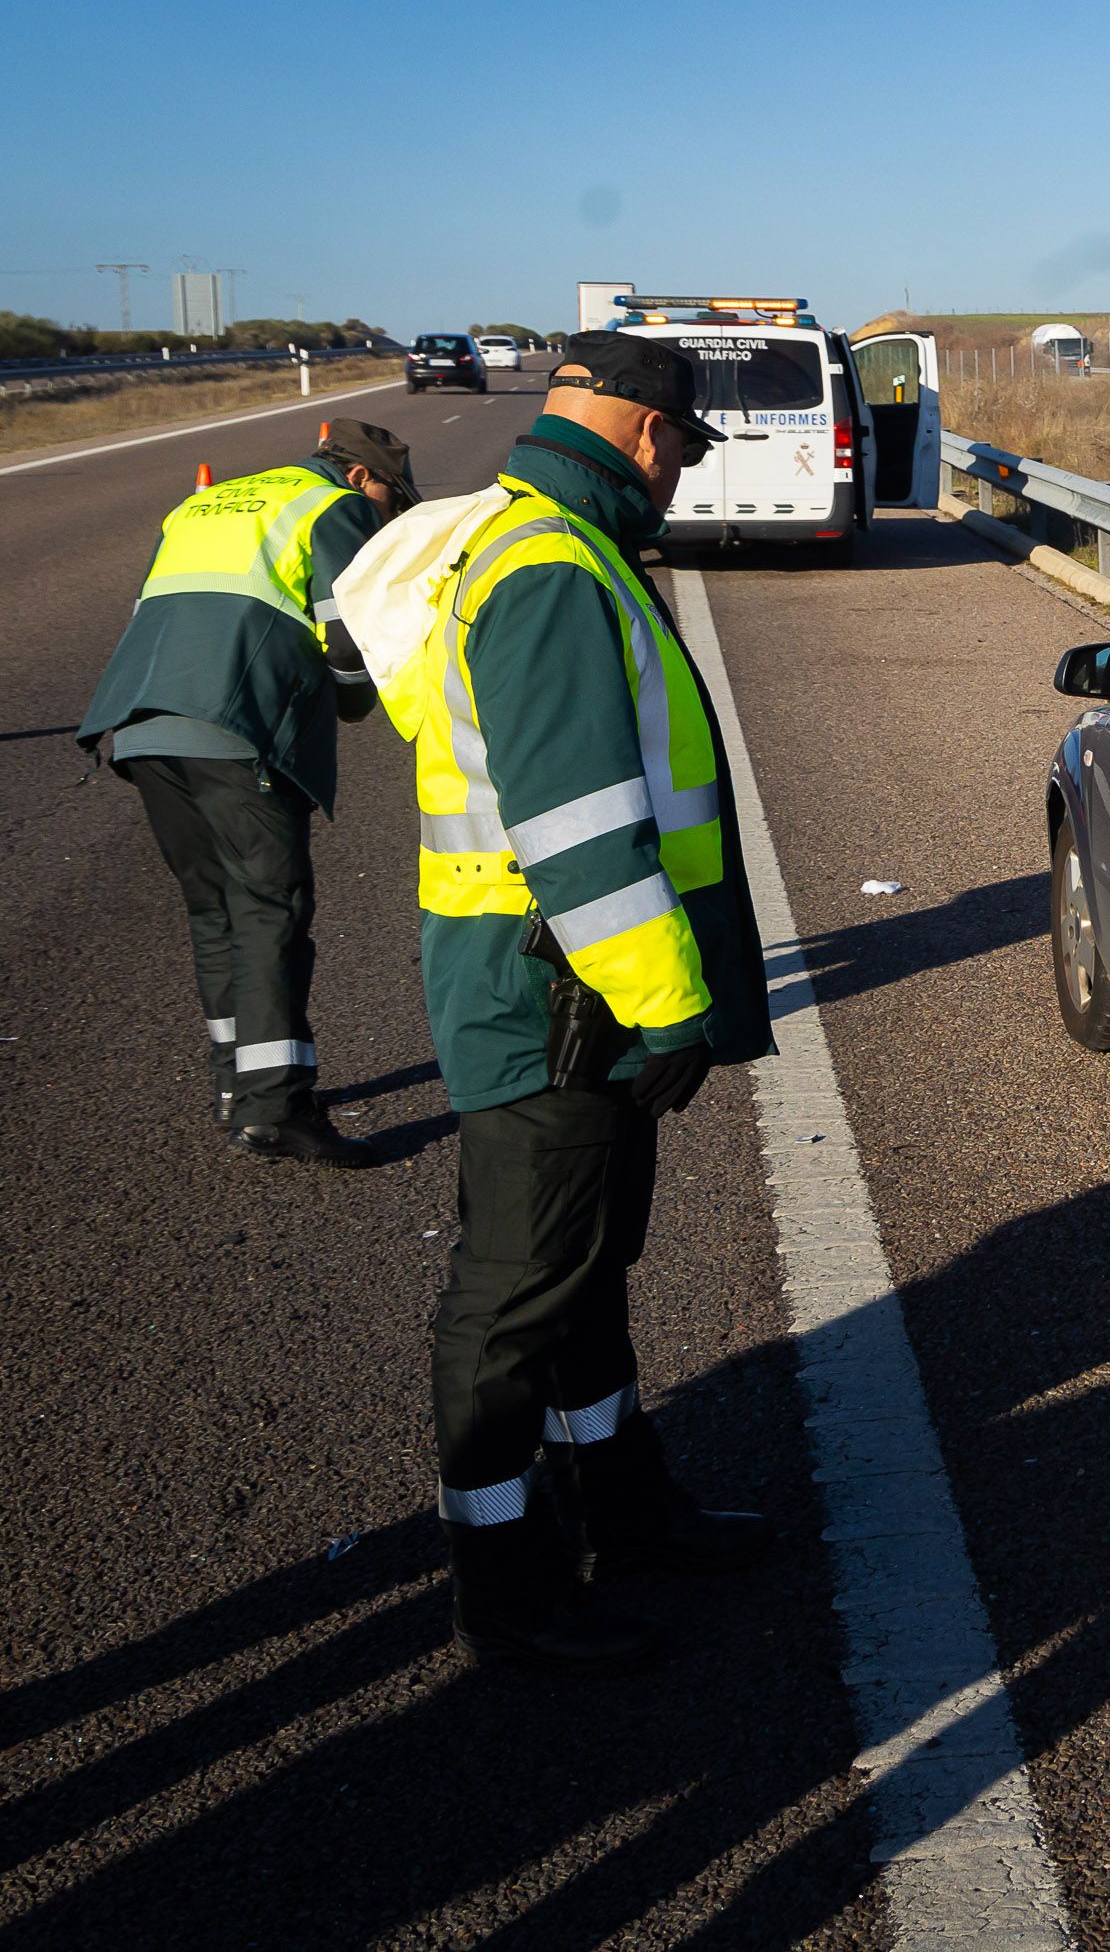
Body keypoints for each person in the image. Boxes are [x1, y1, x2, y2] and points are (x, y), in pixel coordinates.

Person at [390, 333, 777, 1673]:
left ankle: (622, 1509)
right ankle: (506, 1585)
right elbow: (578, 829)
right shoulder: (554, 567)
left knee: (582, 1276)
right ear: (646, 434)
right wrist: (672, 1003)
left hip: (573, 988)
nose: (678, 476)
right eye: (680, 449)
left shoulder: (548, 541)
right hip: (553, 997)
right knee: (510, 1296)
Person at [78, 419, 420, 1165]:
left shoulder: (208, 503)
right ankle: (279, 1108)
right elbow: (346, 635)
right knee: (269, 909)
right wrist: (358, 703)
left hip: (139, 724)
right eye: (392, 500)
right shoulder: (334, 505)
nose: (387, 517)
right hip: (234, 724)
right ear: (365, 478)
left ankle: (237, 1086)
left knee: (215, 911)